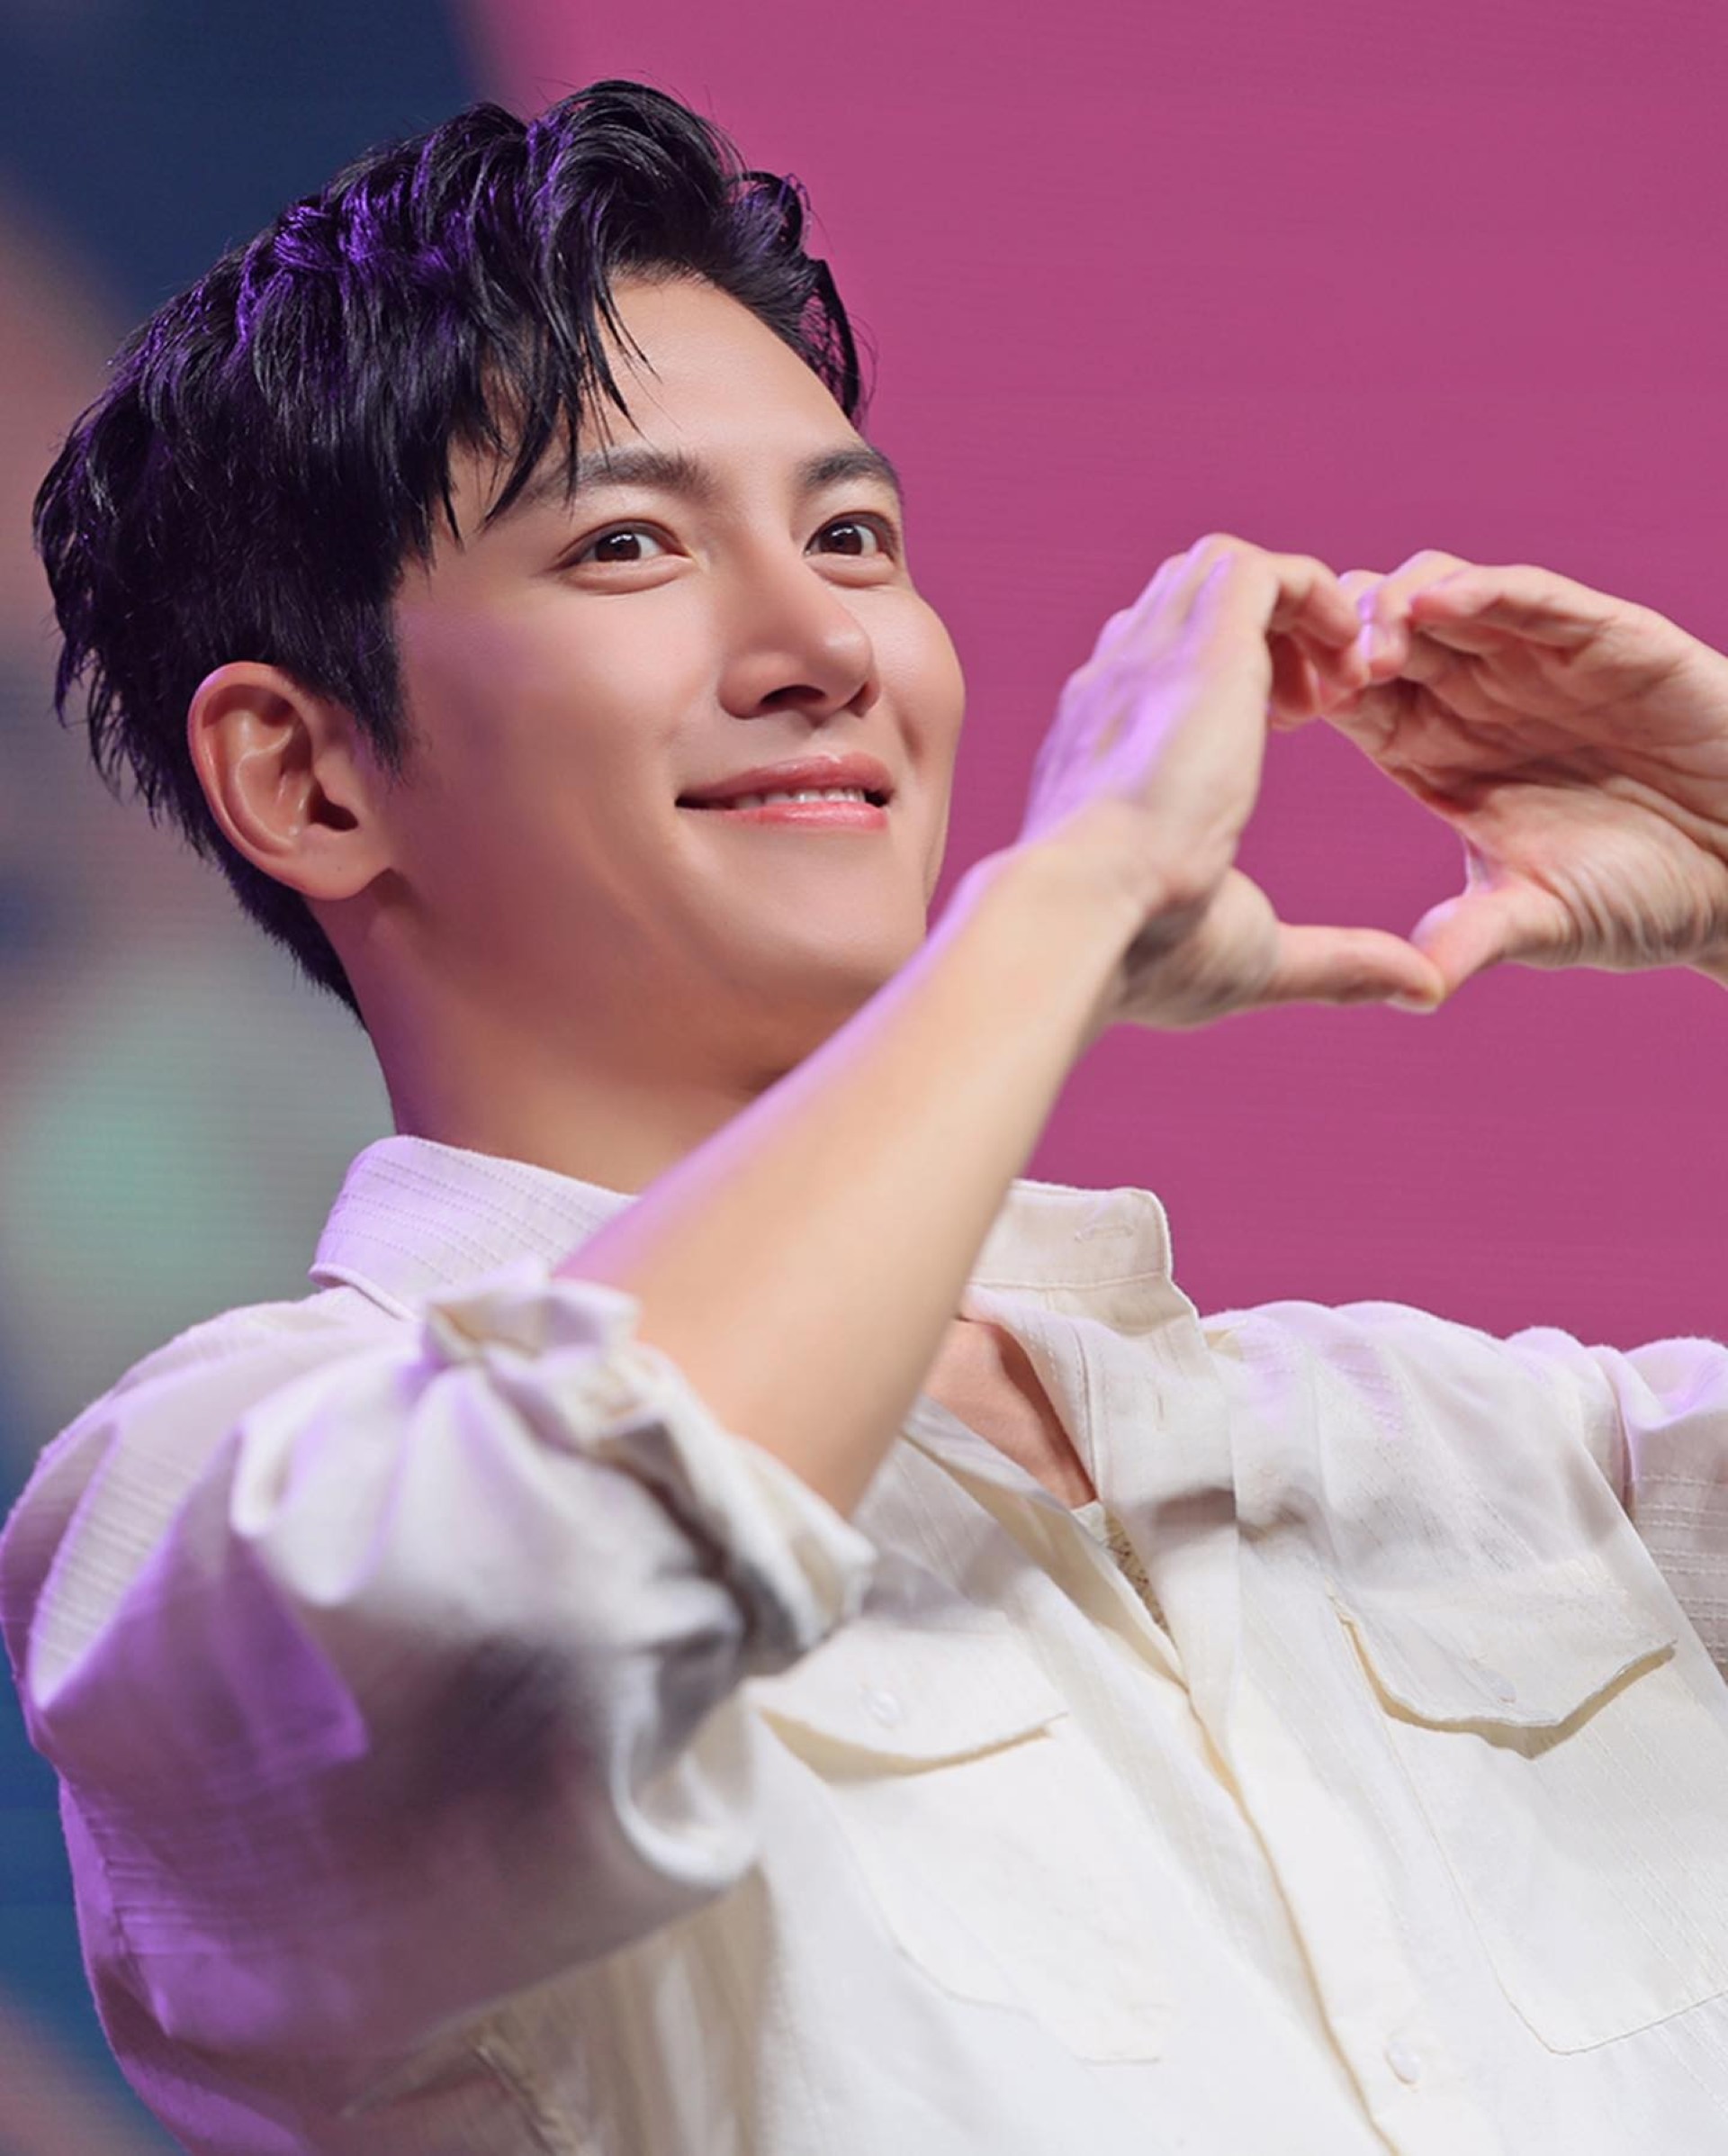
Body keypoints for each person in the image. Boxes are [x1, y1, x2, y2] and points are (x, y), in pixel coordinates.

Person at [3, 76, 1726, 2156]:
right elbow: (572, 1574)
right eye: (628, 544)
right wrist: (1068, 900)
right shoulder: (207, 1502)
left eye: (852, 537)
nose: (826, 641)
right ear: (305, 777)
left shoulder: (1475, 1451)